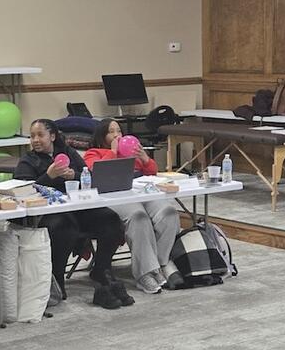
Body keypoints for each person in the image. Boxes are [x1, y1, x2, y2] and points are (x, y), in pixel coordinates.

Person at [14, 119, 128, 310]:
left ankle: (102, 269)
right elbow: (23, 190)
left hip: (78, 207)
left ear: (52, 136)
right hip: (48, 213)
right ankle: (56, 277)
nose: (35, 140)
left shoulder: (68, 153)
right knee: (63, 227)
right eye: (32, 136)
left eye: (40, 135)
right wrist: (48, 177)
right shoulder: (28, 161)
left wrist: (72, 175)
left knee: (110, 220)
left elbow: (88, 175)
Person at [83, 118, 180, 294]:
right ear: (102, 135)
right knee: (138, 217)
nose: (117, 135)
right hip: (115, 195)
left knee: (169, 212)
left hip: (141, 191)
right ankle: (144, 274)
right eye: (111, 132)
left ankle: (160, 264)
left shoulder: (130, 152)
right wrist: (113, 152)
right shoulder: (93, 152)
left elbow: (152, 173)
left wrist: (144, 159)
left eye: (119, 131)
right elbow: (95, 171)